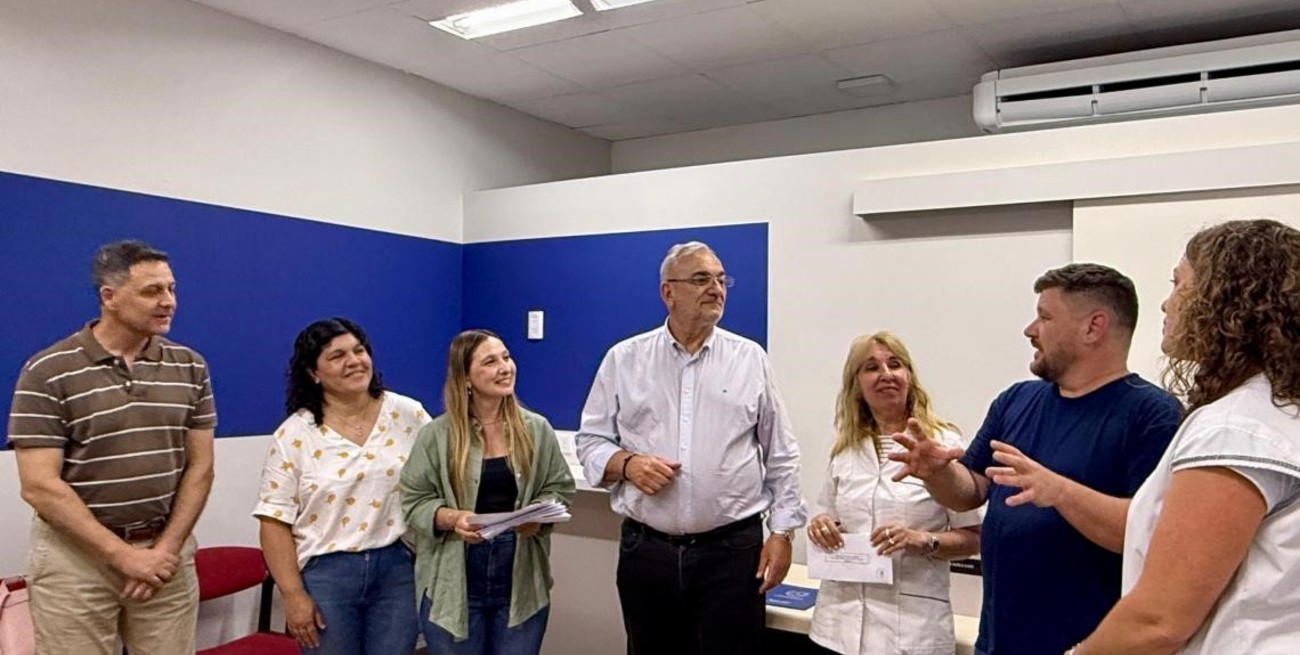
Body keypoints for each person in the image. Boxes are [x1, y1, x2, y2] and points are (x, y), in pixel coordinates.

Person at [889, 263, 1182, 655]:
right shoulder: (1016, 400)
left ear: (1093, 327)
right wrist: (937, 473)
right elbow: (971, 491)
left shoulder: (1152, 415)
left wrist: (1059, 491)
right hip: (998, 642)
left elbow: (1149, 534)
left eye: (1045, 317)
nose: (1030, 330)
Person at [1054, 219, 1300, 654]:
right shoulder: (1280, 413)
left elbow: (1158, 621)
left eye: (1178, 284)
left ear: (1225, 301)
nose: (1166, 305)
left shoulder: (1236, 428)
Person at [574, 241, 807, 655]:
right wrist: (626, 464)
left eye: (721, 279)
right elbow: (590, 440)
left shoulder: (749, 359)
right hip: (647, 552)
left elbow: (781, 453)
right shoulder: (624, 360)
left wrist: (784, 533)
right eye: (701, 279)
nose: (716, 288)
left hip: (733, 554)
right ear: (668, 292)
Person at [9, 240, 217, 654]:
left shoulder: (190, 367)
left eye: (171, 289)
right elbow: (39, 486)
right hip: (76, 560)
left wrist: (163, 552)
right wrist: (122, 556)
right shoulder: (47, 371)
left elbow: (201, 469)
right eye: (151, 291)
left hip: (164, 555)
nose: (168, 302)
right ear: (109, 296)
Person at [254, 318, 428, 654]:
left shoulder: (408, 415)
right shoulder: (294, 435)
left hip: (397, 568)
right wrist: (293, 594)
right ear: (313, 373)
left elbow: (439, 483)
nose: (354, 361)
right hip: (327, 575)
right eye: (337, 356)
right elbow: (273, 521)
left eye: (359, 351)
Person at [401, 329, 575, 655]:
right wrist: (454, 519)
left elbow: (559, 486)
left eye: (506, 357)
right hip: (455, 574)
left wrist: (537, 517)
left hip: (519, 573)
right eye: (490, 362)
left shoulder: (536, 428)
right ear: (466, 377)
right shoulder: (436, 435)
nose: (505, 367)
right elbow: (413, 501)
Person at [807, 332, 981, 655]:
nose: (886, 374)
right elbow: (825, 514)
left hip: (912, 634)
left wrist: (923, 541)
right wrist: (820, 526)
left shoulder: (943, 444)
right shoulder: (845, 450)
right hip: (837, 628)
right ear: (857, 384)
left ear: (909, 376)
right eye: (871, 367)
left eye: (895, 364)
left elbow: (976, 537)